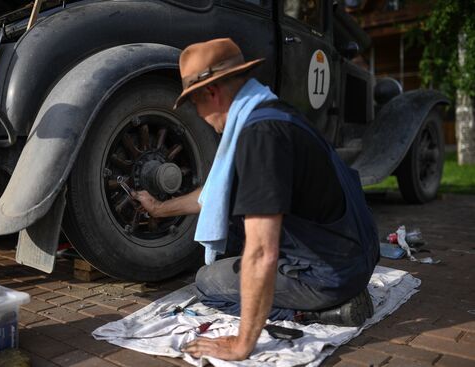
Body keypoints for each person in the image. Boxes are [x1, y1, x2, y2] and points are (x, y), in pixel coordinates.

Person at [133, 38, 379, 361]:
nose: (200, 115)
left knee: (208, 282)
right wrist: (159, 208)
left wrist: (241, 343)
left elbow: (262, 252)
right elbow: (214, 195)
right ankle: (326, 294)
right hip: (355, 253)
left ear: (211, 92)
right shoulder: (274, 113)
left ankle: (327, 311)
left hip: (332, 273)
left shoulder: (260, 137)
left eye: (195, 104)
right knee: (235, 232)